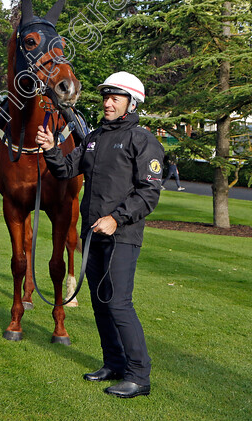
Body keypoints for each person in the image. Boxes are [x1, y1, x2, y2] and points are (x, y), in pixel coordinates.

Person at [36, 71, 163, 399]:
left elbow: (148, 194)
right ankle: (113, 363)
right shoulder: (93, 137)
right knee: (100, 303)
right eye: (106, 97)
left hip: (122, 234)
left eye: (115, 97)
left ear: (131, 103)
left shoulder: (142, 140)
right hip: (92, 235)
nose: (107, 102)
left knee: (119, 303)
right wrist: (52, 149)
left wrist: (116, 219)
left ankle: (139, 375)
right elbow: (65, 170)